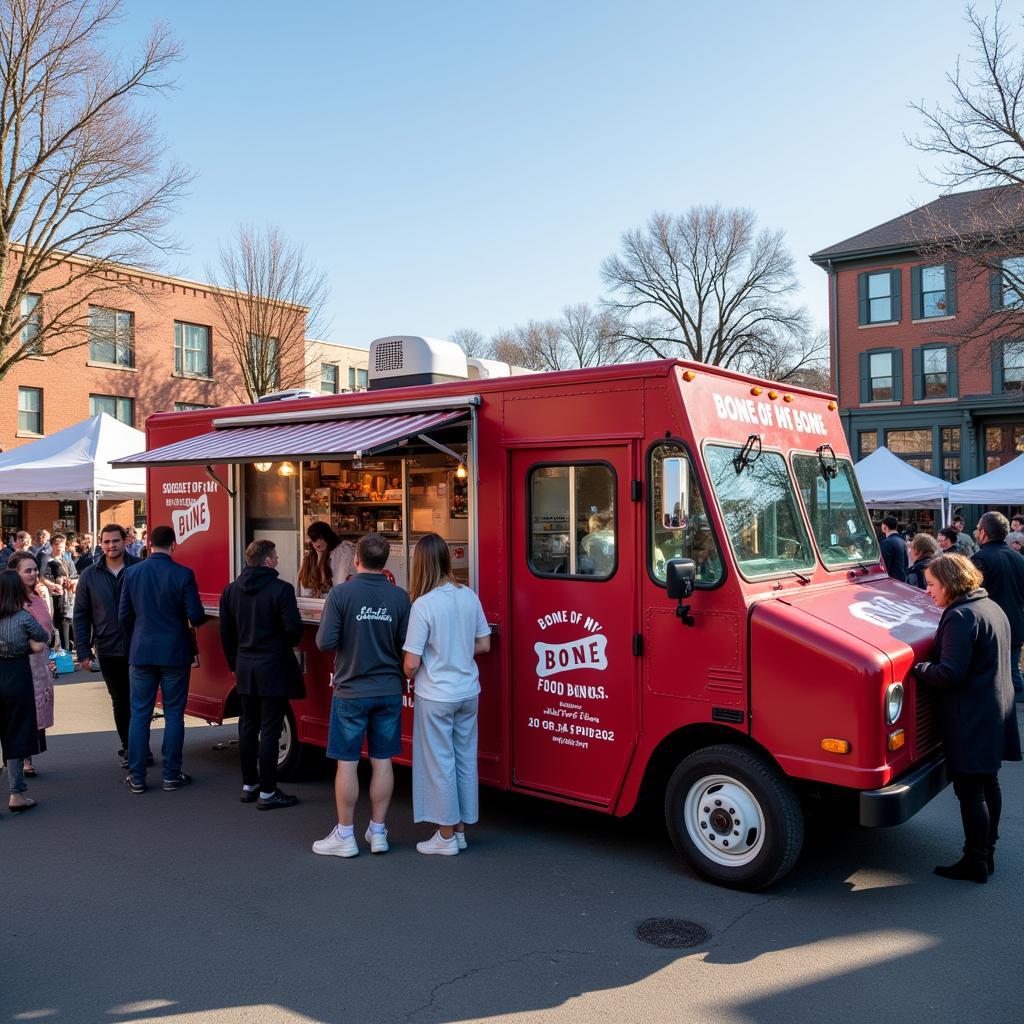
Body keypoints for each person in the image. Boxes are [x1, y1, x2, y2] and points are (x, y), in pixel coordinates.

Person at [914, 554, 1022, 882]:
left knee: (971, 791)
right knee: (989, 782)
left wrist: (921, 669)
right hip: (995, 709)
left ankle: (975, 861)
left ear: (949, 582)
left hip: (971, 717)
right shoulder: (989, 606)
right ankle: (986, 850)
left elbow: (950, 672)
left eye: (932, 584)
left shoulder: (961, 616)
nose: (928, 590)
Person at [312, 533, 410, 858]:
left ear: (356, 559)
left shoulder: (341, 594)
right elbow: (405, 645)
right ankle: (379, 833)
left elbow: (325, 643)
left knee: (348, 763)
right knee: (383, 762)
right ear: (387, 563)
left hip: (351, 691)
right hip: (388, 691)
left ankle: (345, 834)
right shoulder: (399, 597)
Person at [402, 534, 491, 855]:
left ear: (420, 564)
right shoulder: (468, 595)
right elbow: (484, 644)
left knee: (439, 763)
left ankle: (445, 836)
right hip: (468, 691)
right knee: (465, 759)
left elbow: (411, 664)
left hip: (436, 694)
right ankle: (461, 830)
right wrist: (457, 652)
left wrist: (416, 669)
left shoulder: (423, 605)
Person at [118, 524, 206, 794]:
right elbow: (196, 615)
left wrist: (138, 637)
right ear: (174, 544)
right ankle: (171, 774)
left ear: (149, 544)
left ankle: (137, 777)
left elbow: (123, 615)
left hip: (142, 651)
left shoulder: (132, 573)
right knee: (174, 714)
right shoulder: (182, 574)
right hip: (174, 652)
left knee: (139, 715)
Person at [219, 539, 304, 810]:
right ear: (268, 560)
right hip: (274, 666)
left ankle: (249, 784)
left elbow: (226, 633)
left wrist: (235, 662)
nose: (278, 560)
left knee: (247, 725)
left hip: (245, 665)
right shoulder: (282, 590)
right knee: (270, 729)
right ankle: (268, 791)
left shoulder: (231, 591)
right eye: (276, 556)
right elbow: (293, 630)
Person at [74, 524, 143, 768]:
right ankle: (129, 747)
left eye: (115, 541)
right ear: (101, 544)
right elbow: (81, 615)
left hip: (139, 646)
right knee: (120, 699)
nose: (111, 546)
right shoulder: (90, 574)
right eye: (106, 542)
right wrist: (83, 650)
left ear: (125, 541)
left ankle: (140, 747)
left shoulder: (139, 567)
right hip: (108, 647)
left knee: (140, 700)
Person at [0, 569, 50, 813]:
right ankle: (16, 794)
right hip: (17, 676)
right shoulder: (23, 617)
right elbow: (43, 636)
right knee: (16, 734)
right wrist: (31, 646)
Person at [6, 551, 54, 779]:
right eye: (28, 570)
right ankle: (18, 762)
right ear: (14, 574)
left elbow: (48, 631)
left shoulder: (38, 597)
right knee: (19, 715)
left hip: (39, 665)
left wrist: (48, 652)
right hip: (16, 667)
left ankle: (25, 758)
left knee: (34, 714)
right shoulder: (7, 603)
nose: (34, 573)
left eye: (35, 569)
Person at [971, 511, 1024, 704]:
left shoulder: (980, 559)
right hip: (1016, 624)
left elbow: (970, 595)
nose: (976, 531)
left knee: (997, 679)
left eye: (977, 527)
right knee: (1013, 673)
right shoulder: (1018, 558)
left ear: (983, 533)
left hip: (991, 628)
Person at [297, 521, 355, 597]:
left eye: (318, 539)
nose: (316, 545)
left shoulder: (344, 551)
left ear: (324, 537)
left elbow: (341, 581)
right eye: (313, 542)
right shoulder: (313, 557)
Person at [42, 533, 76, 651]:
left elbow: (74, 577)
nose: (60, 548)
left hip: (64, 598)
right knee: (51, 623)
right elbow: (41, 577)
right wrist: (52, 585)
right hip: (49, 597)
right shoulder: (45, 559)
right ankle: (53, 649)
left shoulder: (67, 560)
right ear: (52, 545)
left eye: (62, 545)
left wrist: (69, 582)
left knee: (64, 622)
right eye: (57, 545)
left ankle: (66, 650)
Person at [579, 511, 615, 577]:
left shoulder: (588, 539)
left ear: (593, 526)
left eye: (589, 526)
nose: (587, 529)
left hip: (597, 574)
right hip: (611, 571)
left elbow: (584, 560)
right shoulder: (613, 536)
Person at [879, 515, 908, 582]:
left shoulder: (887, 543)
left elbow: (884, 566)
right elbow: (906, 564)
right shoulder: (903, 541)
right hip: (903, 581)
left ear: (884, 527)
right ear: (896, 526)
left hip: (891, 581)